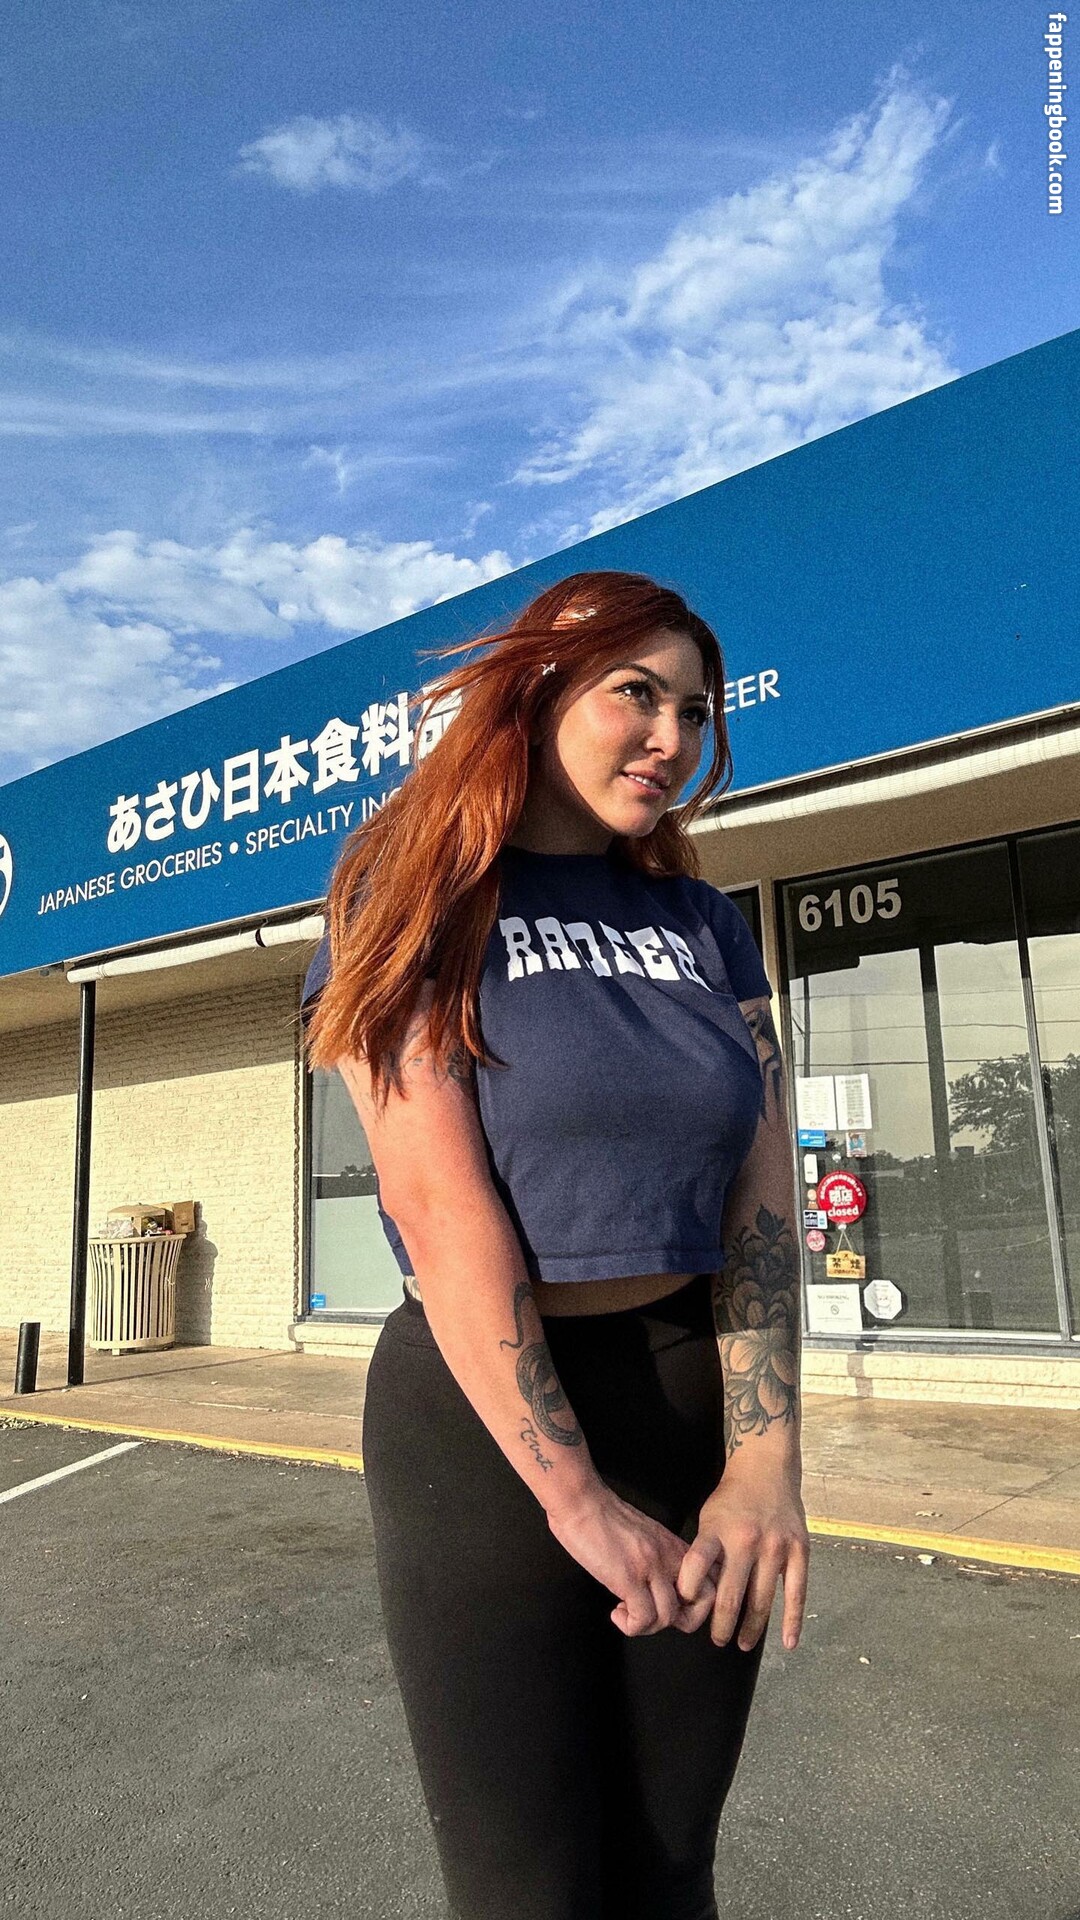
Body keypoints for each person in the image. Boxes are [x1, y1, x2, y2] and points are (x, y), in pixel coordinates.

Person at [301, 569, 809, 1920]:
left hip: (687, 1395)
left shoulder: (704, 925)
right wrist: (571, 1498)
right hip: (480, 1433)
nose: (672, 737)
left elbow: (761, 1195)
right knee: (529, 1888)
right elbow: (439, 1208)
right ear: (534, 694)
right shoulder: (415, 893)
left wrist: (765, 1463)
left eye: (695, 710)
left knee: (671, 1860)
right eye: (637, 693)